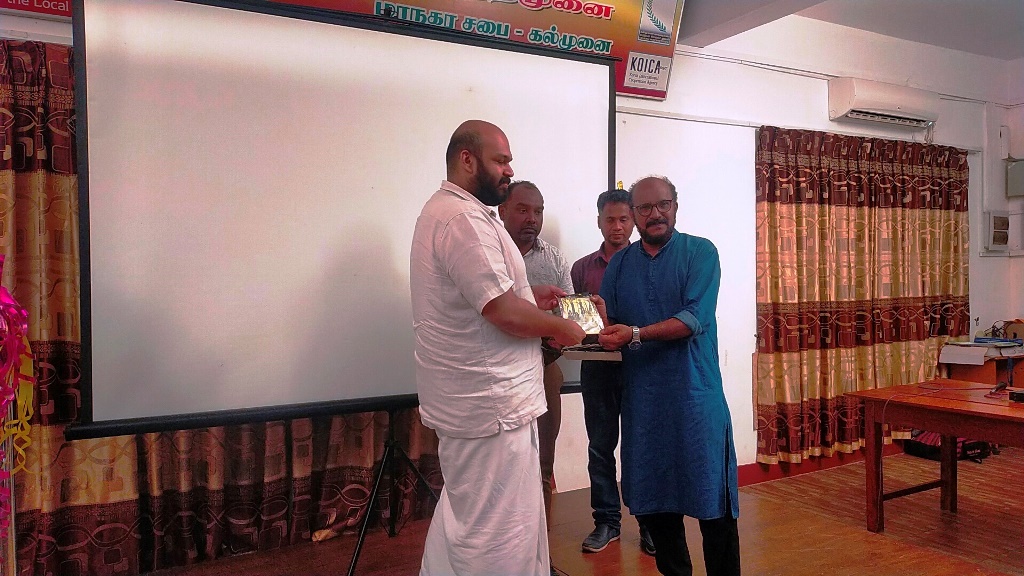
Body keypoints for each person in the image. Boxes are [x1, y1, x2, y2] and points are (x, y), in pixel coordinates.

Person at [410, 120, 585, 576]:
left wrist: (532, 297)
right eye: (501, 160)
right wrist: (564, 328)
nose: (509, 170)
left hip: (487, 408)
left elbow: (492, 299)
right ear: (467, 160)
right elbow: (501, 311)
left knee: (468, 522)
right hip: (492, 411)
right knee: (496, 537)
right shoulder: (461, 220)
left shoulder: (455, 212)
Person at [597, 175, 741, 576]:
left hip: (696, 400)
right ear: (634, 214)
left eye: (663, 204)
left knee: (713, 506)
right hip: (645, 405)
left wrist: (635, 334)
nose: (655, 214)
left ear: (675, 205)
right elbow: (613, 323)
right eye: (645, 208)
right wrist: (597, 321)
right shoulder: (621, 264)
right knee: (657, 507)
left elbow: (693, 319)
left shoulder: (700, 252)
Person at [569, 188, 657, 556]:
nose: (617, 226)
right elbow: (578, 322)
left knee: (642, 445)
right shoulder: (582, 268)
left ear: (634, 221)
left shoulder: (649, 263)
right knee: (600, 447)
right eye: (610, 219)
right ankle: (606, 522)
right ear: (599, 221)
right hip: (597, 369)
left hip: (639, 366)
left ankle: (650, 524)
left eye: (624, 219)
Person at [498, 180, 574, 538]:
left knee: (543, 465)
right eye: (523, 210)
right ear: (502, 210)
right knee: (500, 470)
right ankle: (504, 552)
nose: (532, 218)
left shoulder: (554, 259)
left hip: (544, 368)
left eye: (538, 211)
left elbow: (569, 313)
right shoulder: (489, 252)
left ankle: (539, 554)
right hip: (499, 372)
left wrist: (567, 330)